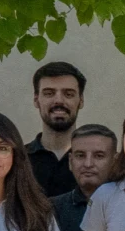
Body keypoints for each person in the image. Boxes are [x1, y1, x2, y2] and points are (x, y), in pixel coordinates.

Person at [23, 61, 86, 197]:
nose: (58, 100)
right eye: (49, 93)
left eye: (68, 94)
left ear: (81, 100)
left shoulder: (99, 162)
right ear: (36, 99)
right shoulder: (18, 160)